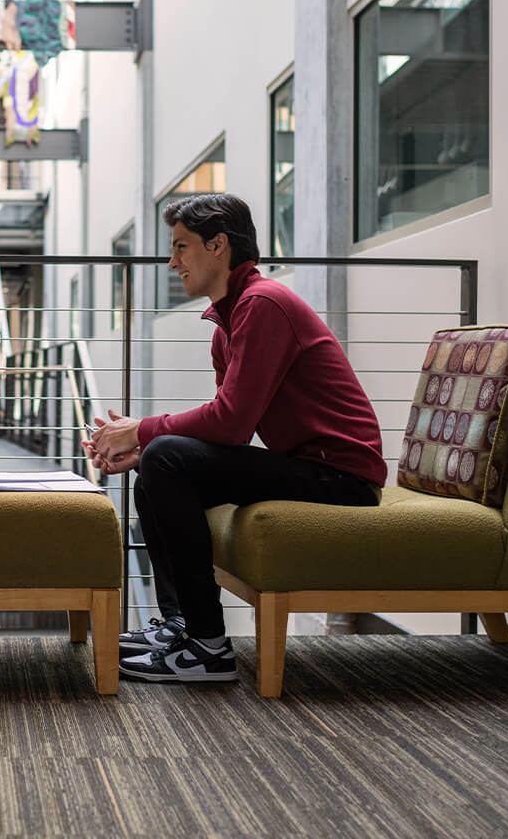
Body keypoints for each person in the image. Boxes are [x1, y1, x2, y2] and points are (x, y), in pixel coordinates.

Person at [84, 193, 385, 684]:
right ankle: (183, 626)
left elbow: (230, 424)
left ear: (218, 244)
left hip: (342, 477)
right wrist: (139, 449)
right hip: (308, 465)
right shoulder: (230, 319)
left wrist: (141, 430)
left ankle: (208, 648)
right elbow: (222, 431)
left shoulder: (263, 304)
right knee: (157, 466)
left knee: (165, 456)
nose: (172, 260)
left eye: (182, 247)